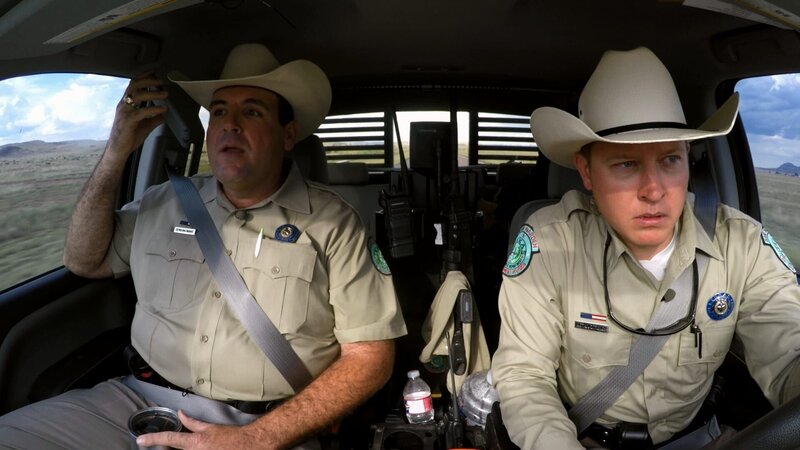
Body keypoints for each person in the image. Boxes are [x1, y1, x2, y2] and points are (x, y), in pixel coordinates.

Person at [0, 43, 406, 449]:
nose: (230, 124)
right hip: (134, 400)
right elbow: (82, 261)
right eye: (219, 111)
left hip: (266, 423)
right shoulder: (162, 202)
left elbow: (370, 356)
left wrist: (258, 438)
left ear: (287, 135)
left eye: (252, 111)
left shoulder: (334, 223)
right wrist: (116, 152)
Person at [491, 46, 800, 449]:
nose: (654, 190)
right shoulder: (550, 243)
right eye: (626, 164)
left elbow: (790, 351)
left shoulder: (741, 243)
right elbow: (525, 377)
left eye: (670, 160)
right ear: (586, 172)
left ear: (688, 157)